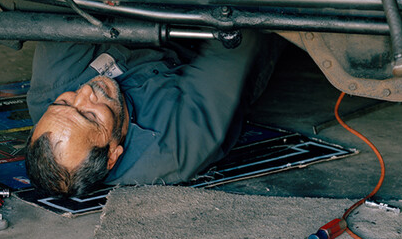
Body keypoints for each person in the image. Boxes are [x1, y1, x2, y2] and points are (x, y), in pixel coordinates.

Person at [24, 32, 270, 196]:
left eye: (63, 103)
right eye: (90, 116)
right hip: (207, 50)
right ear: (112, 155)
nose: (84, 92)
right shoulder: (171, 147)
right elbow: (234, 41)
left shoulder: (49, 96)